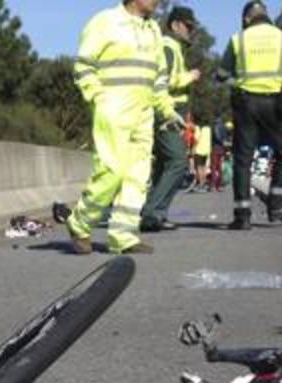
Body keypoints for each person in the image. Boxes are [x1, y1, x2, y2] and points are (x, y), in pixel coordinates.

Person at [66, 0, 183, 255]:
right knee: (111, 170)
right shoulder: (105, 21)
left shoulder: (153, 30)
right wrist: (97, 96)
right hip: (113, 109)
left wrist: (167, 110)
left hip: (143, 113)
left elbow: (159, 78)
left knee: (138, 177)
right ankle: (80, 222)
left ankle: (124, 236)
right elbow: (83, 65)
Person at [217, 1, 282, 230]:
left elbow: (222, 74)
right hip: (276, 104)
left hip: (246, 104)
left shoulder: (238, 39)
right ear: (265, 15)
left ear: (246, 19)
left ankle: (243, 216)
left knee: (243, 160)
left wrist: (236, 82)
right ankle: (277, 207)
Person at [139, 6, 203, 231]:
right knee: (178, 162)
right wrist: (190, 76)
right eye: (188, 26)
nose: (191, 31)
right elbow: (163, 81)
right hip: (166, 114)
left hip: (170, 114)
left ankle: (155, 213)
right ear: (175, 25)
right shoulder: (168, 46)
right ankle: (152, 213)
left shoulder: (173, 47)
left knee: (164, 166)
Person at [193, 122, 213, 191]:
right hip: (207, 150)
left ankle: (201, 185)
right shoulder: (208, 128)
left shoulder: (198, 128)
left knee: (199, 167)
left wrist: (193, 148)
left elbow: (196, 139)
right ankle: (204, 184)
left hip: (199, 150)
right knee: (204, 167)